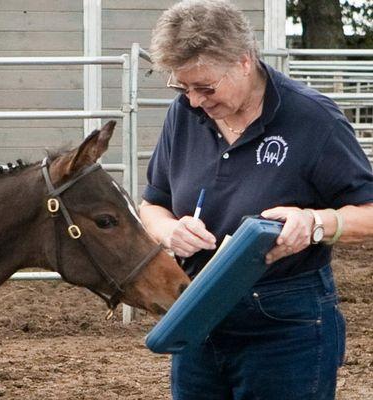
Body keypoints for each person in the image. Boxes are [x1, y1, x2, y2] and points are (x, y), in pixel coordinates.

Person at [139, 1, 373, 399]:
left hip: (285, 322)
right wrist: (169, 231)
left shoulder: (313, 119)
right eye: (183, 87)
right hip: (198, 313)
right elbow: (152, 204)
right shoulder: (184, 115)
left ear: (244, 61)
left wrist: (315, 224)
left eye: (205, 87)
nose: (194, 101)